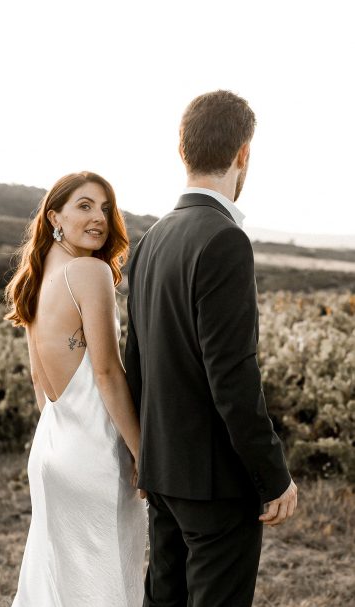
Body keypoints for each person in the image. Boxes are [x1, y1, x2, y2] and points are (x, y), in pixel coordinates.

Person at [125, 90, 298, 607]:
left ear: (185, 151)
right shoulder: (224, 240)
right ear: (242, 153)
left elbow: (137, 361)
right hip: (215, 483)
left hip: (163, 472)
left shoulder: (150, 240)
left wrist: (143, 456)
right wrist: (273, 476)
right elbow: (233, 376)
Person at [4, 171, 147, 607]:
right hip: (95, 457)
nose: (99, 217)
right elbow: (106, 372)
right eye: (84, 206)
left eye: (105, 208)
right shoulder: (90, 271)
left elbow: (37, 380)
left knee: (54, 584)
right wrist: (143, 452)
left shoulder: (38, 276)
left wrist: (60, 437)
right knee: (102, 587)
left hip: (50, 450)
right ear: (55, 218)